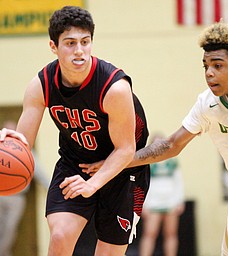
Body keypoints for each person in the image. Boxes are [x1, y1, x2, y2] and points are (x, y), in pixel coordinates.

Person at [81, 21, 228, 255]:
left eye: (218, 65)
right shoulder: (208, 104)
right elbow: (171, 145)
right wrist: (117, 162)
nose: (209, 73)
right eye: (205, 66)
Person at [0, 6, 150, 256]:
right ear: (53, 46)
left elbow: (126, 149)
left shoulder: (115, 87)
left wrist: (93, 184)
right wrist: (7, 145)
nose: (79, 51)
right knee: (59, 237)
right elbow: (22, 143)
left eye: (85, 42)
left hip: (123, 170)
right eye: (70, 43)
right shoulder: (41, 85)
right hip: (74, 164)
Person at [0, 120, 50, 256]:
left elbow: (38, 172)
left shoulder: (23, 150)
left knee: (10, 229)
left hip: (17, 198)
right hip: (0, 196)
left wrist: (52, 189)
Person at [139, 134, 185, 256]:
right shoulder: (147, 162)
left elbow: (178, 182)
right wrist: (144, 204)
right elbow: (143, 184)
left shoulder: (172, 161)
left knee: (171, 234)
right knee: (149, 233)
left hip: (170, 202)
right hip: (153, 203)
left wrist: (179, 201)